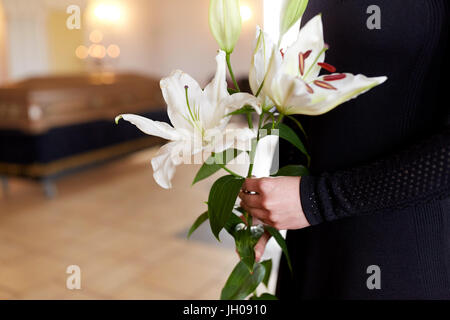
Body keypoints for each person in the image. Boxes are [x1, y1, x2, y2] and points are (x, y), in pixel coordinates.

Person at [238, 0, 450, 299]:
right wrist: (272, 198)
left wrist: (318, 199)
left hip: (399, 248)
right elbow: (306, 95)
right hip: (311, 239)